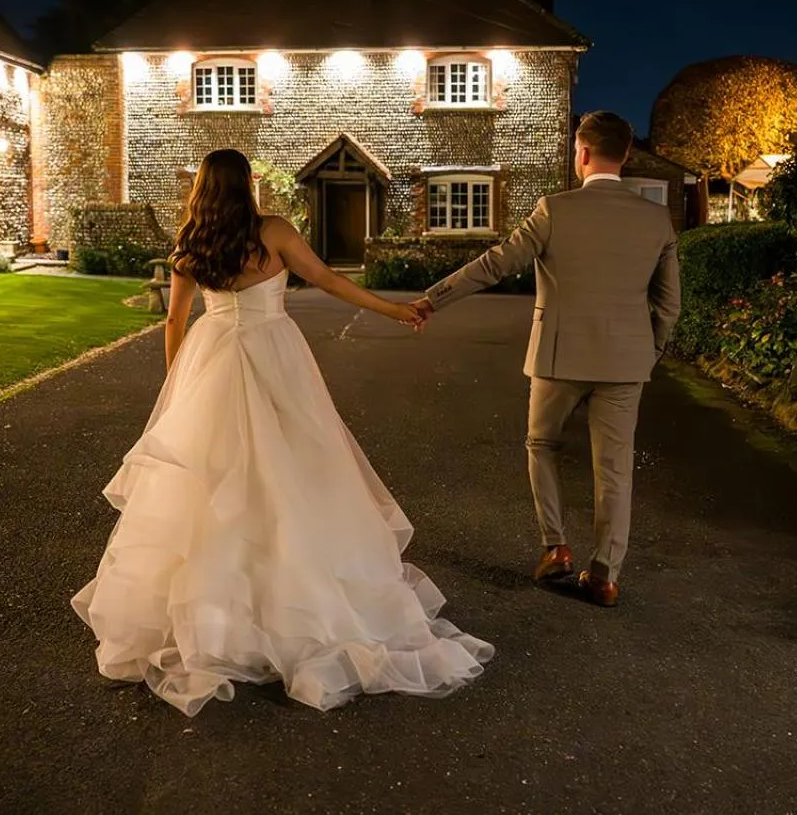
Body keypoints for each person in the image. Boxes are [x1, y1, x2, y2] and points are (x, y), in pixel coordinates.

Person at [72, 148, 493, 716]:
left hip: (212, 359)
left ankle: (220, 616)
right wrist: (394, 311)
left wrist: (178, 389)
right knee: (298, 464)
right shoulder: (272, 232)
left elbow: (174, 321)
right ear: (247, 184)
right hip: (275, 352)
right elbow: (325, 279)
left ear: (201, 188)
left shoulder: (191, 243)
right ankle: (301, 601)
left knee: (216, 481)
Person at [412, 111, 681, 609]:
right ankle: (605, 574)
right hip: (625, 362)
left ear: (580, 153)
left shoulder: (554, 210)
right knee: (615, 468)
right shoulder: (656, 219)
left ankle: (556, 548)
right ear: (625, 155)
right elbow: (668, 304)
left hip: (557, 357)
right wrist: (650, 351)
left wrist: (433, 298)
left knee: (541, 444)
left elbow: (497, 263)